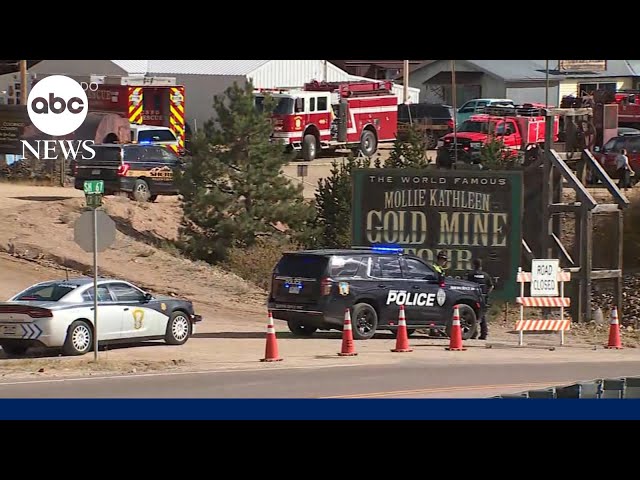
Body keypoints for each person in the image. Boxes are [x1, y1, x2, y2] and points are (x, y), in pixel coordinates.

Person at [466, 257, 495, 340]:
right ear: (481, 266)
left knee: (471, 314)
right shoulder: (486, 275)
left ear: (473, 265)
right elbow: (491, 286)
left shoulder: (471, 275)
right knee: (482, 316)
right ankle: (484, 334)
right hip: (483, 298)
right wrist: (486, 294)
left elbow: (467, 285)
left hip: (473, 297)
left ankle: (473, 333)